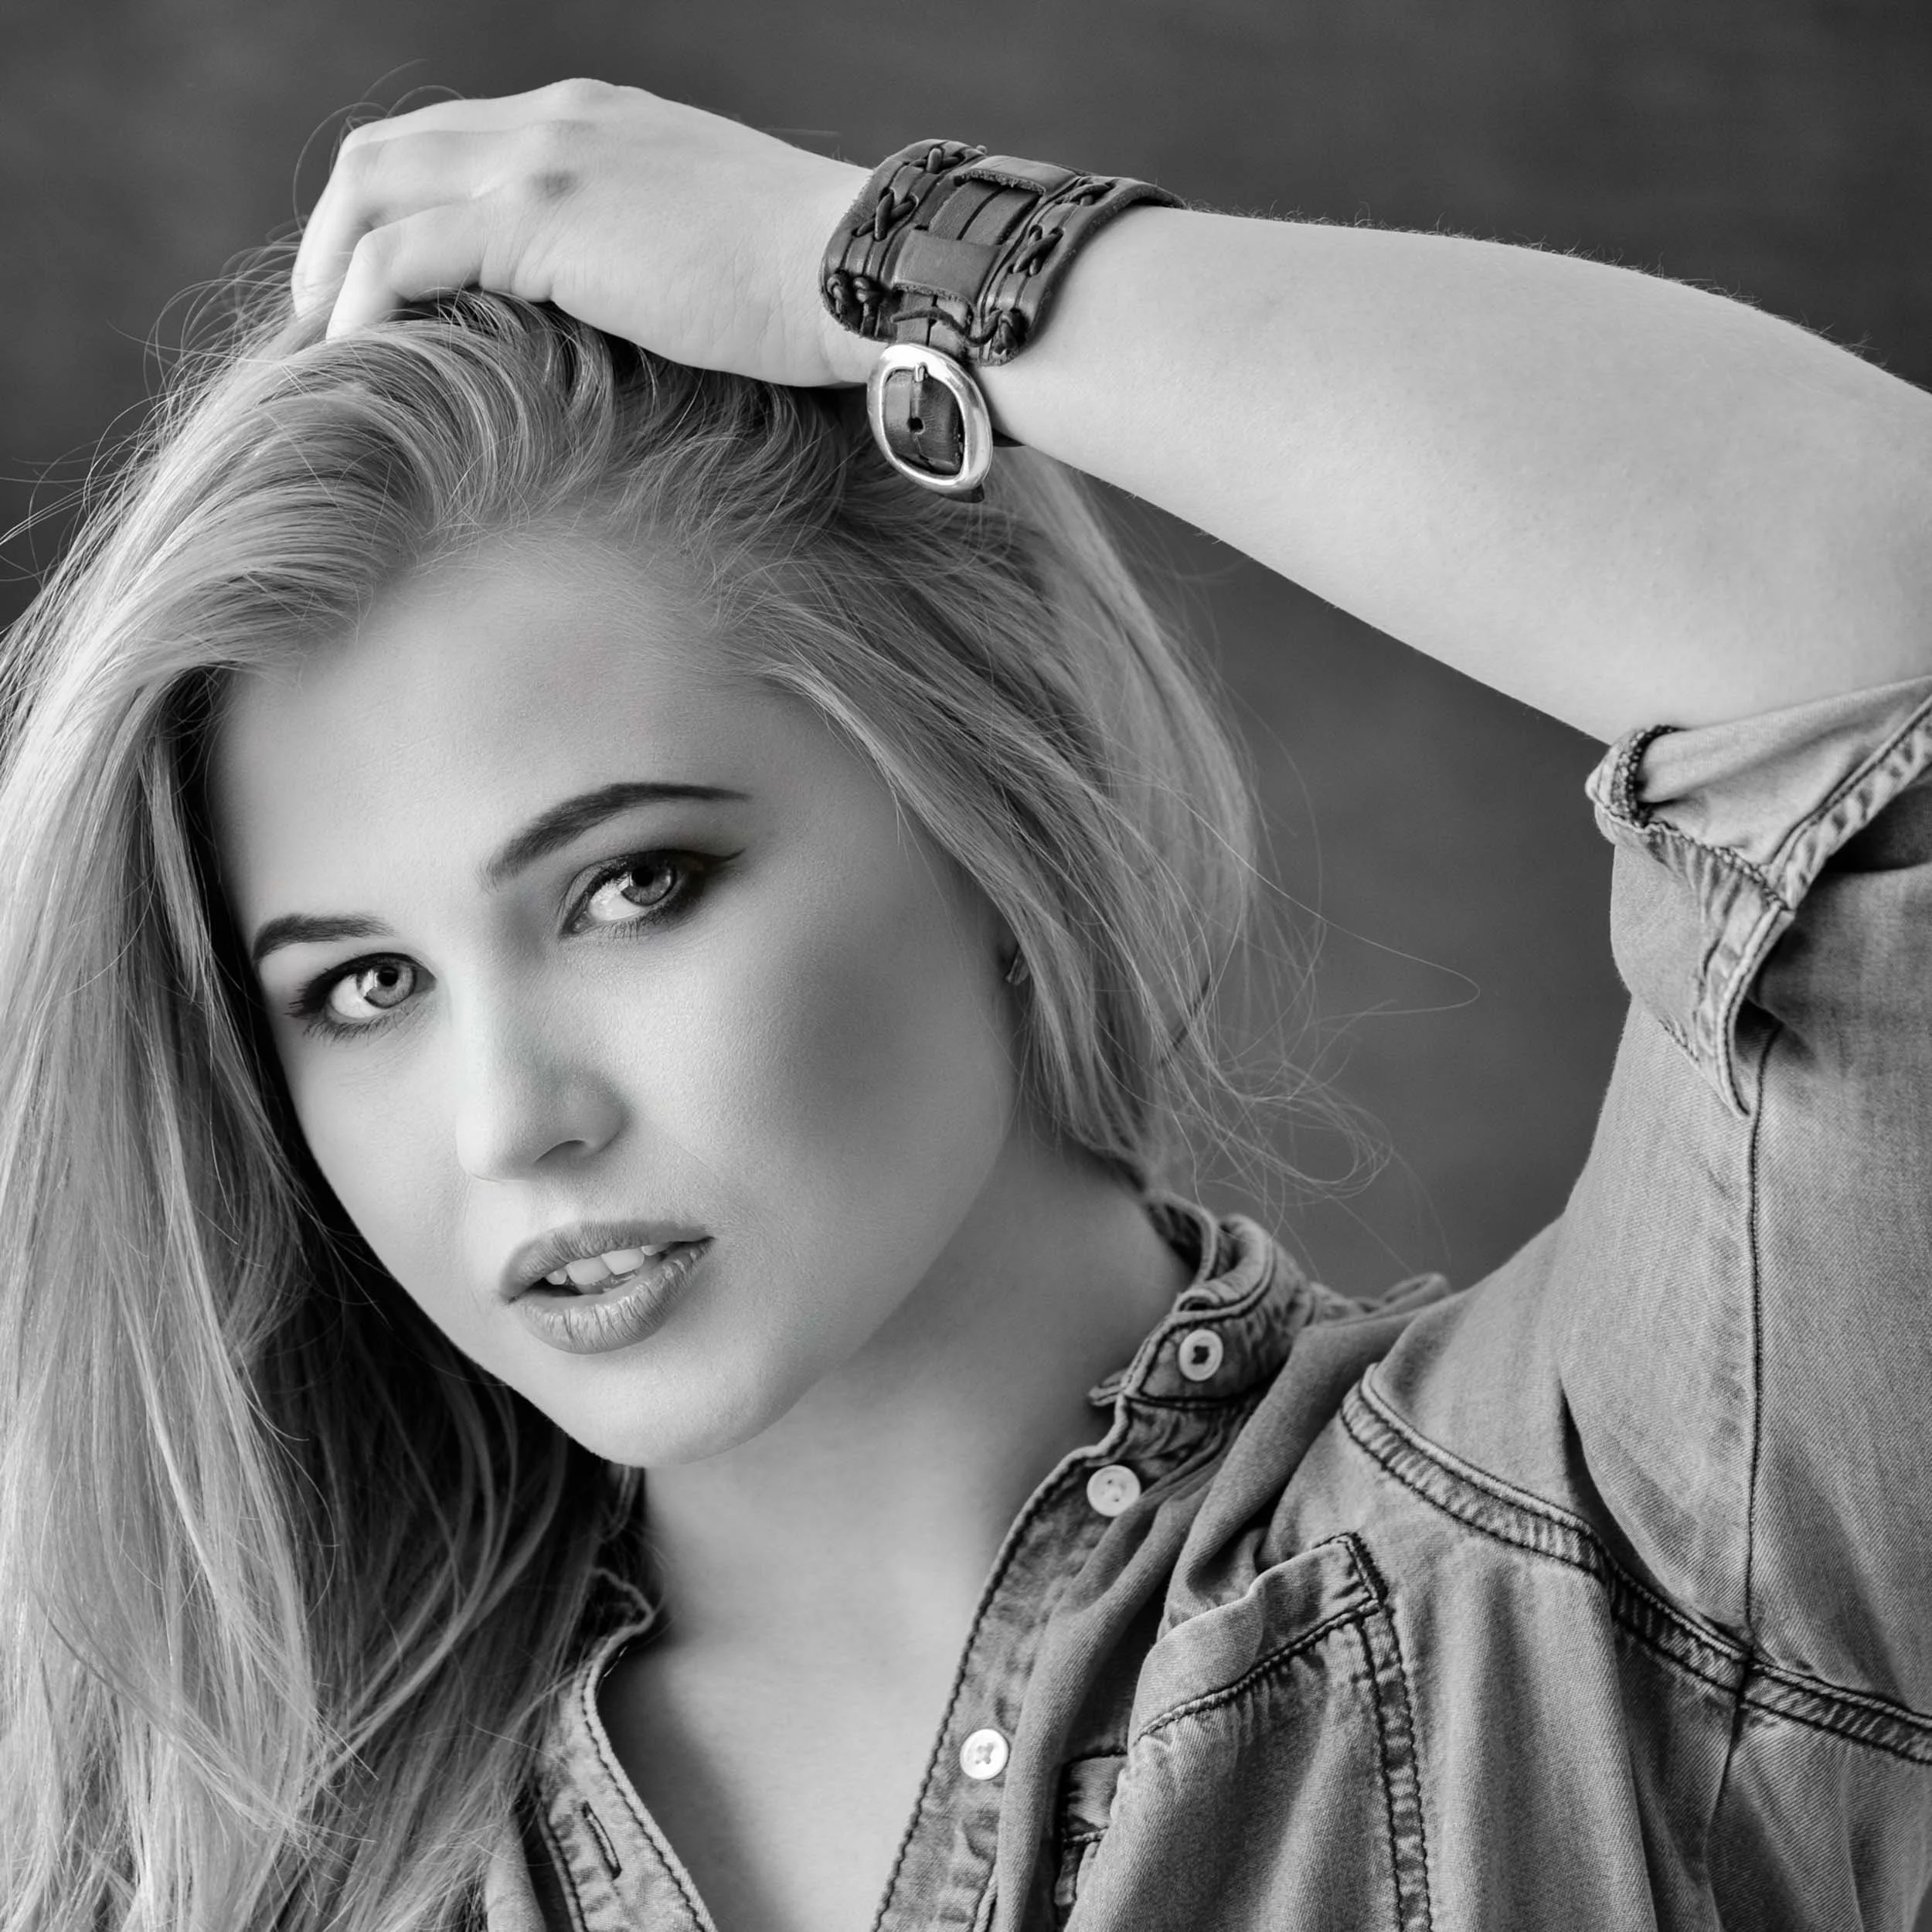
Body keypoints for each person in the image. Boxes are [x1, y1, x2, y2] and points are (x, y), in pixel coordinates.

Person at [1, 75, 1927, 1932]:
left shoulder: (1621, 1569)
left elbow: (1874, 634)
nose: (512, 1116)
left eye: (632, 885)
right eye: (364, 983)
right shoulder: (208, 1835)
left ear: (987, 811)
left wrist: (875, 256)